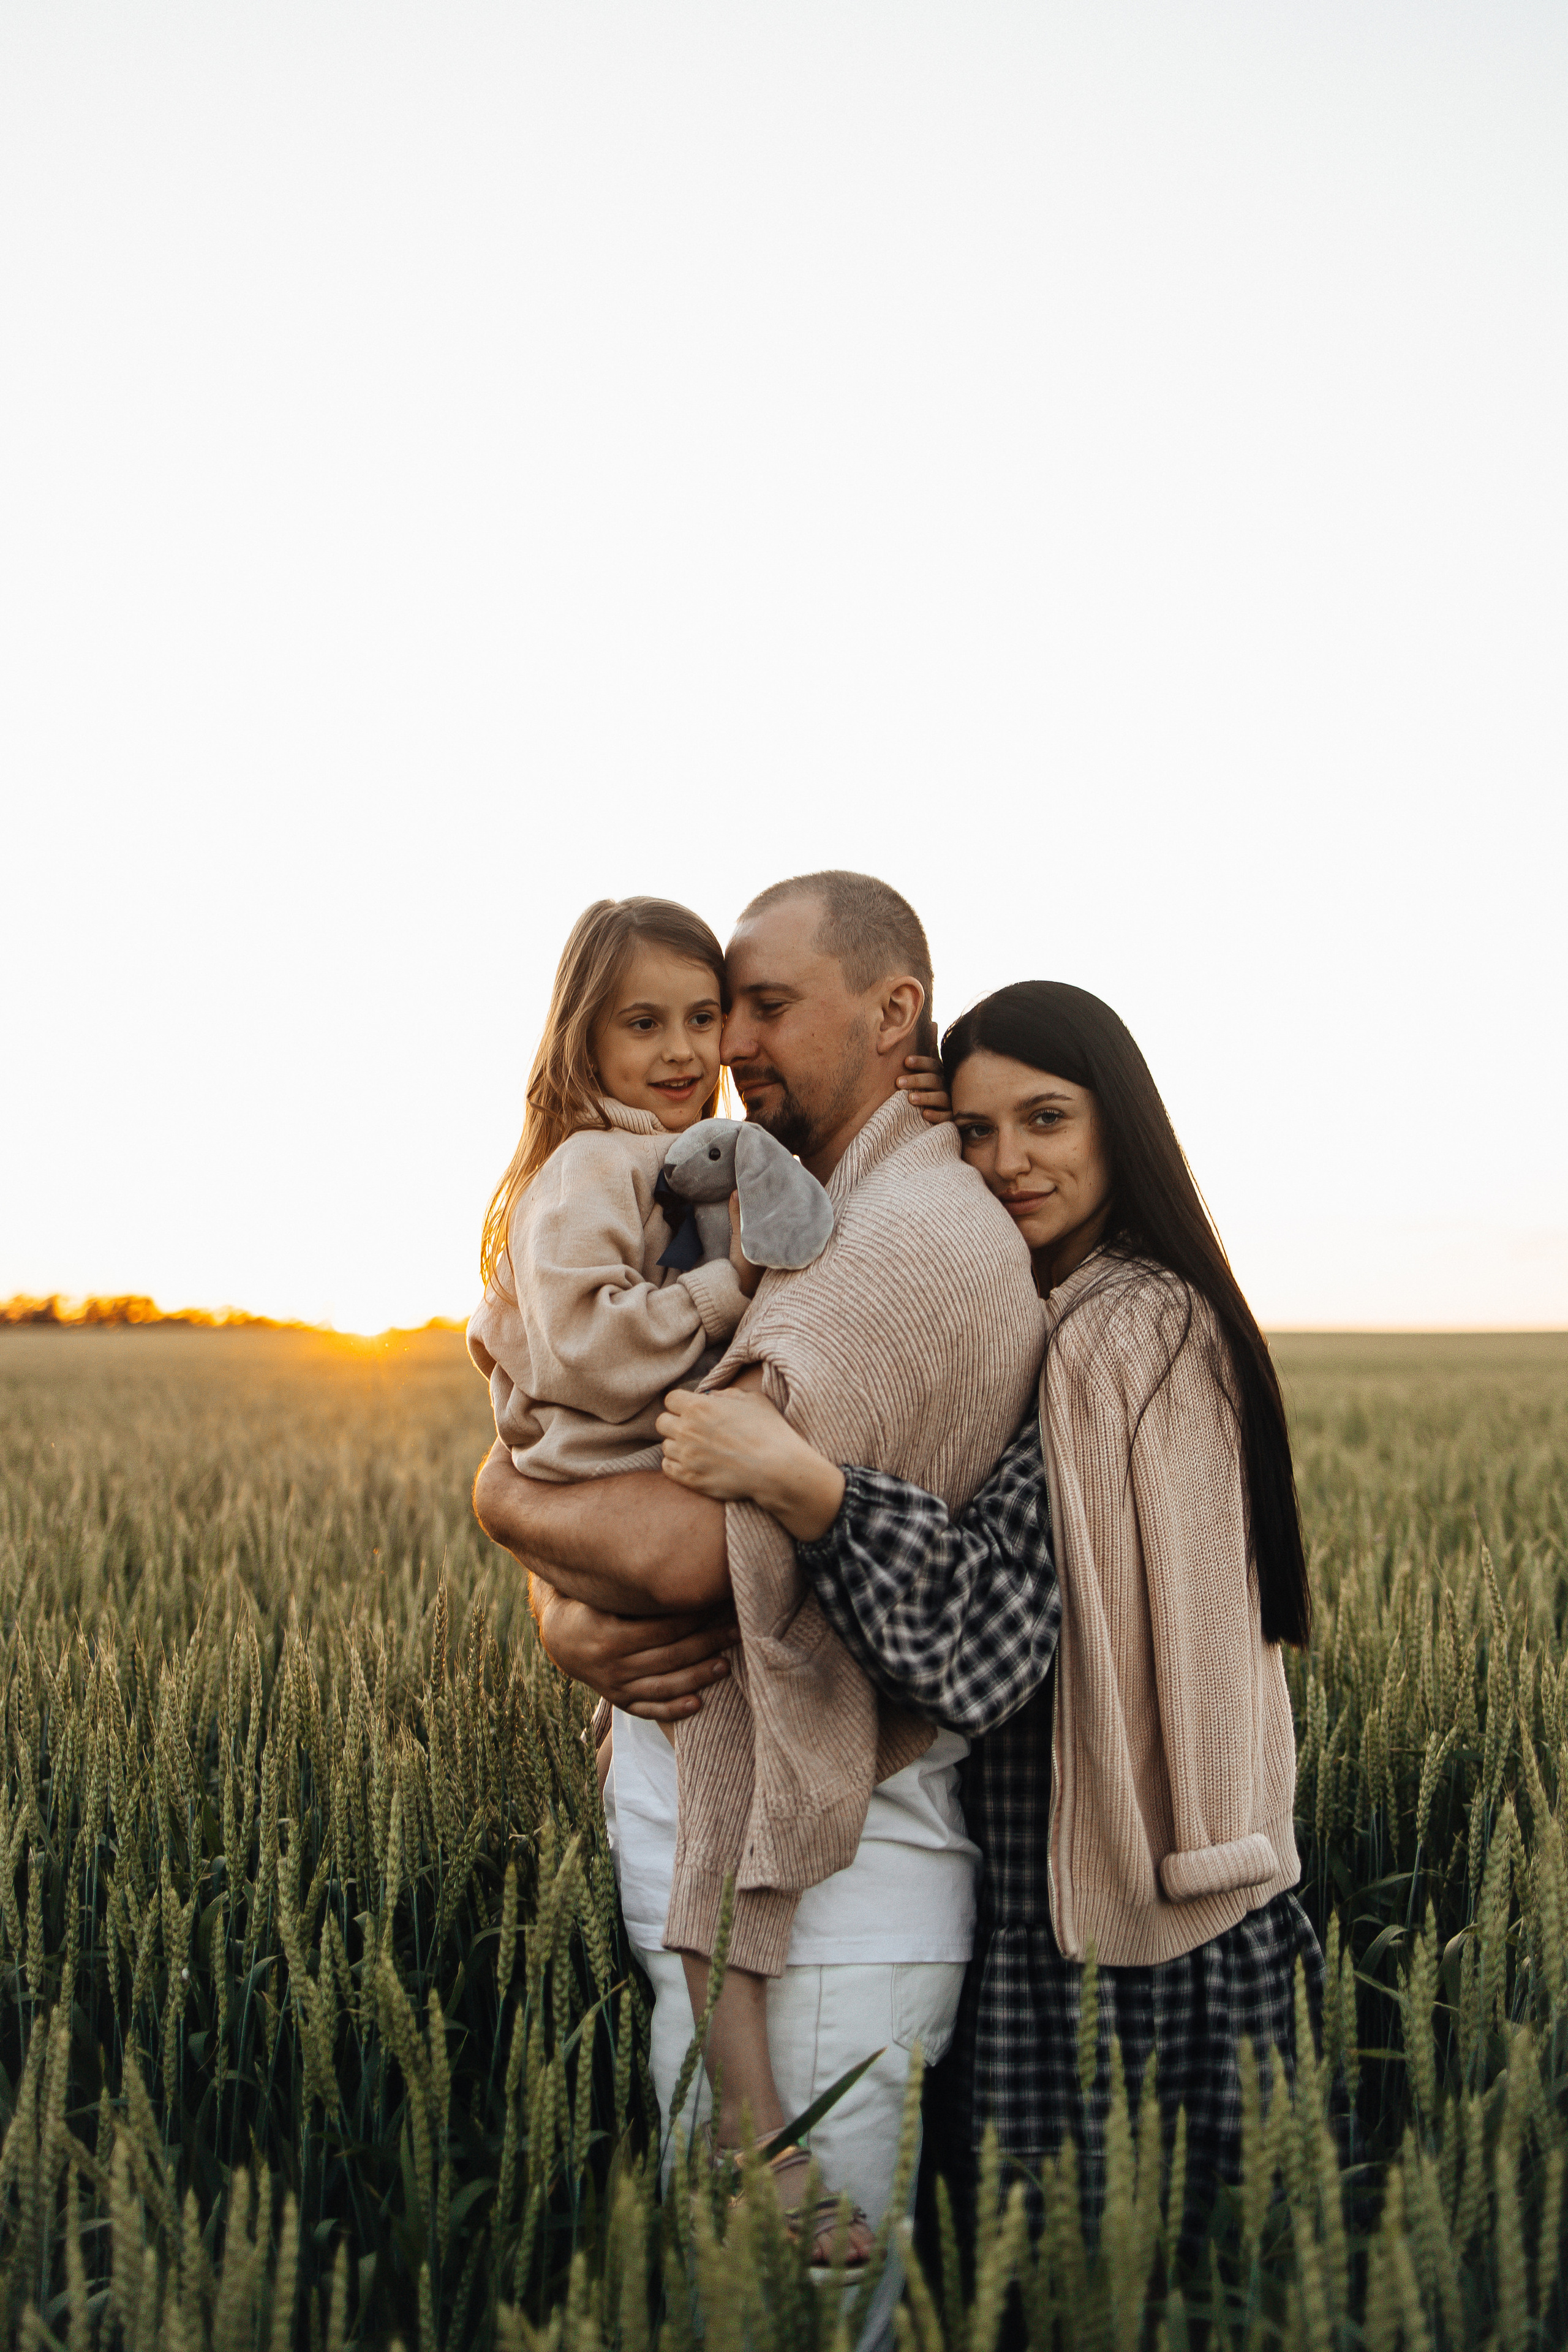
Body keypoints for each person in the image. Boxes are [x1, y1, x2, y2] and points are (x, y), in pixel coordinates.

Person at [655, 978, 1323, 2249]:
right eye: (972, 1130)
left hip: (1117, 1964)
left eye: (1046, 1120)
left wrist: (805, 1486)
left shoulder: (1119, 1334)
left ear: (1120, 1124)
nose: (1007, 1161)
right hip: (1155, 1921)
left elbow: (988, 1647)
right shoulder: (1106, 1310)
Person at [473, 875, 1044, 2299]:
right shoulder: (811, 1195)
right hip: (760, 1902)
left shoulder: (898, 1240)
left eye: (762, 1007)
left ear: (894, 1014)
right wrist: (561, 1604)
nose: (725, 1045)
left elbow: (683, 1548)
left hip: (822, 1932)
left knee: (793, 2313)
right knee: (736, 2303)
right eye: (709, 1012)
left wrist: (503, 1503)